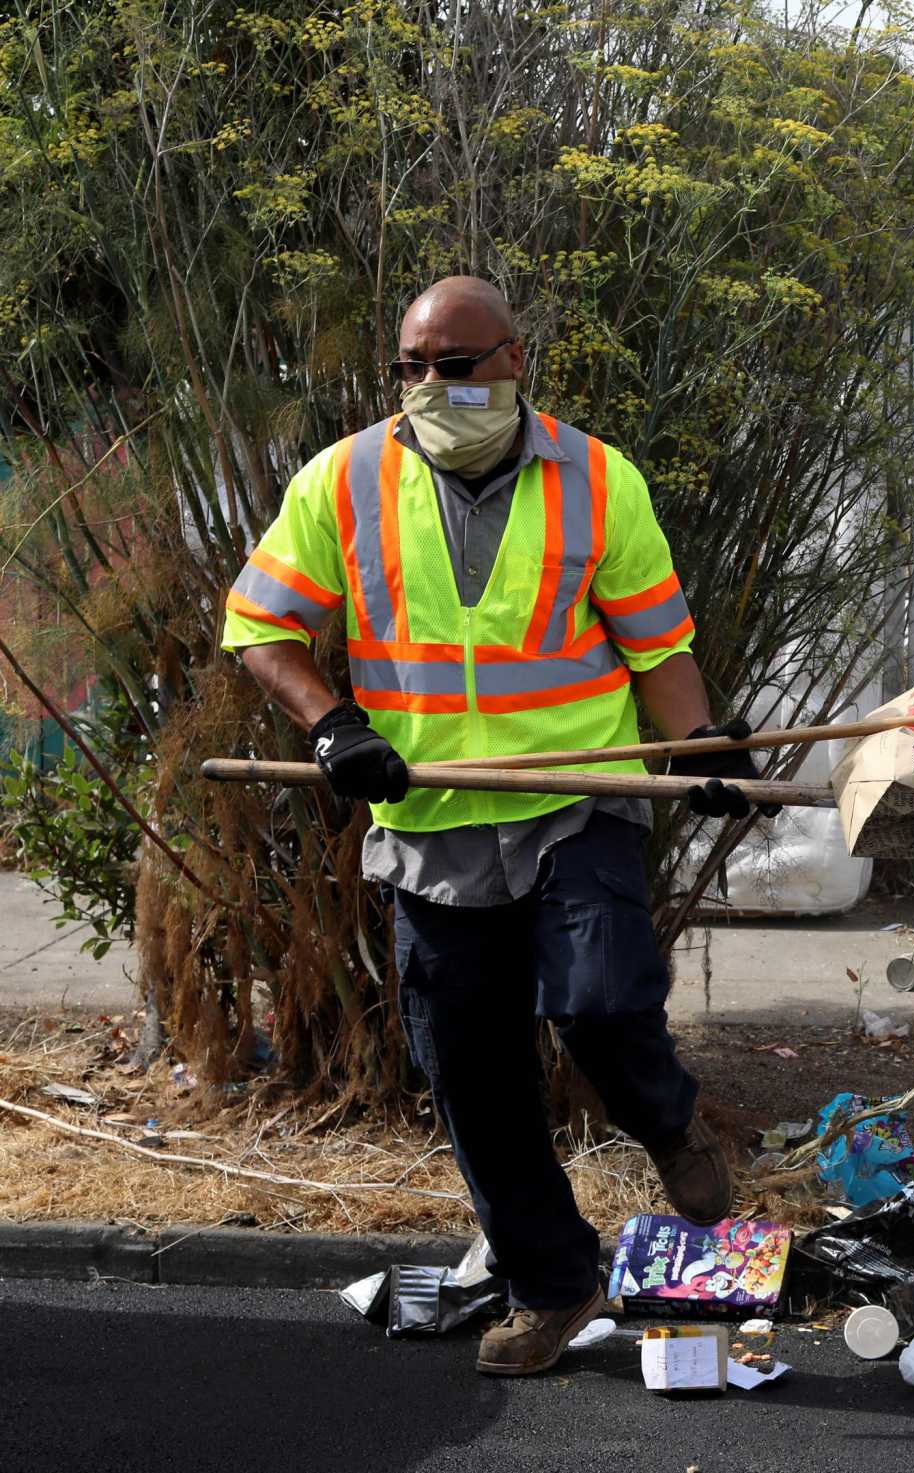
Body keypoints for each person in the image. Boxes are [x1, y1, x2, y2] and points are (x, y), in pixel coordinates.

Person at [222, 276, 758, 1373]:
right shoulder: (345, 478)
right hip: (431, 819)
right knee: (469, 1070)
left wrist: (701, 750)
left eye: (454, 368)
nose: (429, 388)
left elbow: (657, 650)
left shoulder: (599, 481)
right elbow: (258, 624)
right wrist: (333, 727)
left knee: (602, 1003)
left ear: (515, 361)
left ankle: (667, 1125)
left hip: (580, 796)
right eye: (409, 369)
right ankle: (553, 1285)